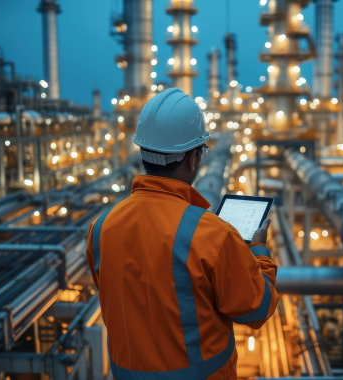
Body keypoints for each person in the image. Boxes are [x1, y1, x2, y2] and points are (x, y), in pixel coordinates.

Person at [85, 88, 279, 379]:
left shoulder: (102, 227)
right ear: (192, 159)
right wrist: (259, 253)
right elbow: (257, 308)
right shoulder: (212, 235)